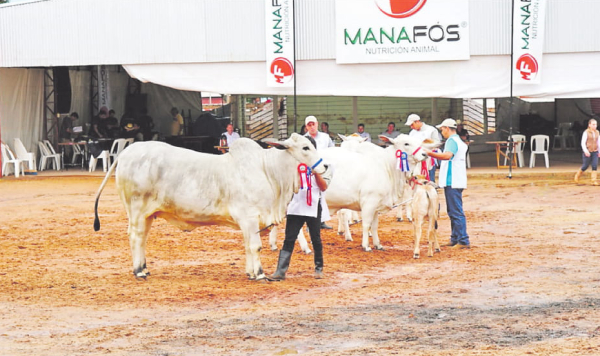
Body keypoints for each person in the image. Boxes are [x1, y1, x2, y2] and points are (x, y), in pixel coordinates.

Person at [270, 136, 332, 280]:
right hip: (296, 207)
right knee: (289, 238)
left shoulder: (323, 166)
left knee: (315, 238)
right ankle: (280, 271)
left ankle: (319, 268)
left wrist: (316, 173)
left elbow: (323, 187)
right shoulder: (295, 166)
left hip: (313, 206)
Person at [425, 118, 470, 249]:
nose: (442, 132)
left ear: (447, 128)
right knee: (454, 210)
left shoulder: (452, 141)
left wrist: (429, 153)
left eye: (442, 129)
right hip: (457, 179)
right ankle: (456, 237)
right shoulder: (459, 141)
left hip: (453, 180)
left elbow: (447, 156)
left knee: (455, 211)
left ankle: (462, 239)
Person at [304, 115, 334, 229]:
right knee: (310, 196)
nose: (312, 127)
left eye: (313, 124)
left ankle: (320, 221)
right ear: (306, 127)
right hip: (310, 171)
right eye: (309, 125)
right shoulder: (303, 139)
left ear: (317, 123)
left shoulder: (325, 137)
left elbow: (332, 150)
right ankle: (310, 223)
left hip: (324, 170)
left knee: (323, 196)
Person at [405, 114, 441, 182]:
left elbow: (437, 143)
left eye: (412, 124)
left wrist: (425, 145)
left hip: (429, 159)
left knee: (430, 179)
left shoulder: (431, 130)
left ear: (417, 121)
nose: (411, 127)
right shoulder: (412, 133)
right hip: (416, 160)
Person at [574, 118, 600, 185]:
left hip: (595, 151)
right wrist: (585, 151)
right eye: (593, 124)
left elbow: (598, 142)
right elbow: (583, 143)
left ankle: (593, 180)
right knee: (585, 166)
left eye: (596, 124)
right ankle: (577, 176)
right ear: (589, 125)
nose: (595, 126)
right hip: (588, 151)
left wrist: (599, 151)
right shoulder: (586, 132)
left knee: (594, 165)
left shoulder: (597, 132)